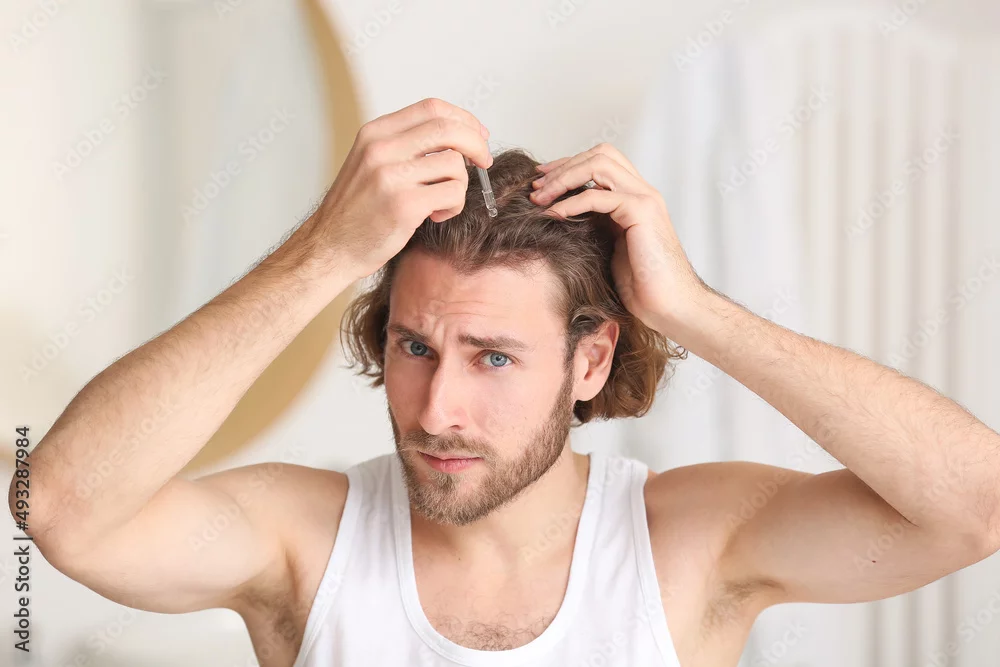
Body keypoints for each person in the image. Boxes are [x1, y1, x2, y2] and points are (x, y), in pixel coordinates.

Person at [13, 97, 1000, 667]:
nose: (437, 409)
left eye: (493, 356)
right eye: (414, 347)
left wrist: (694, 307)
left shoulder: (689, 545)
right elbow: (59, 507)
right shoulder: (305, 543)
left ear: (590, 359)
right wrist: (324, 253)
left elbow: (975, 505)